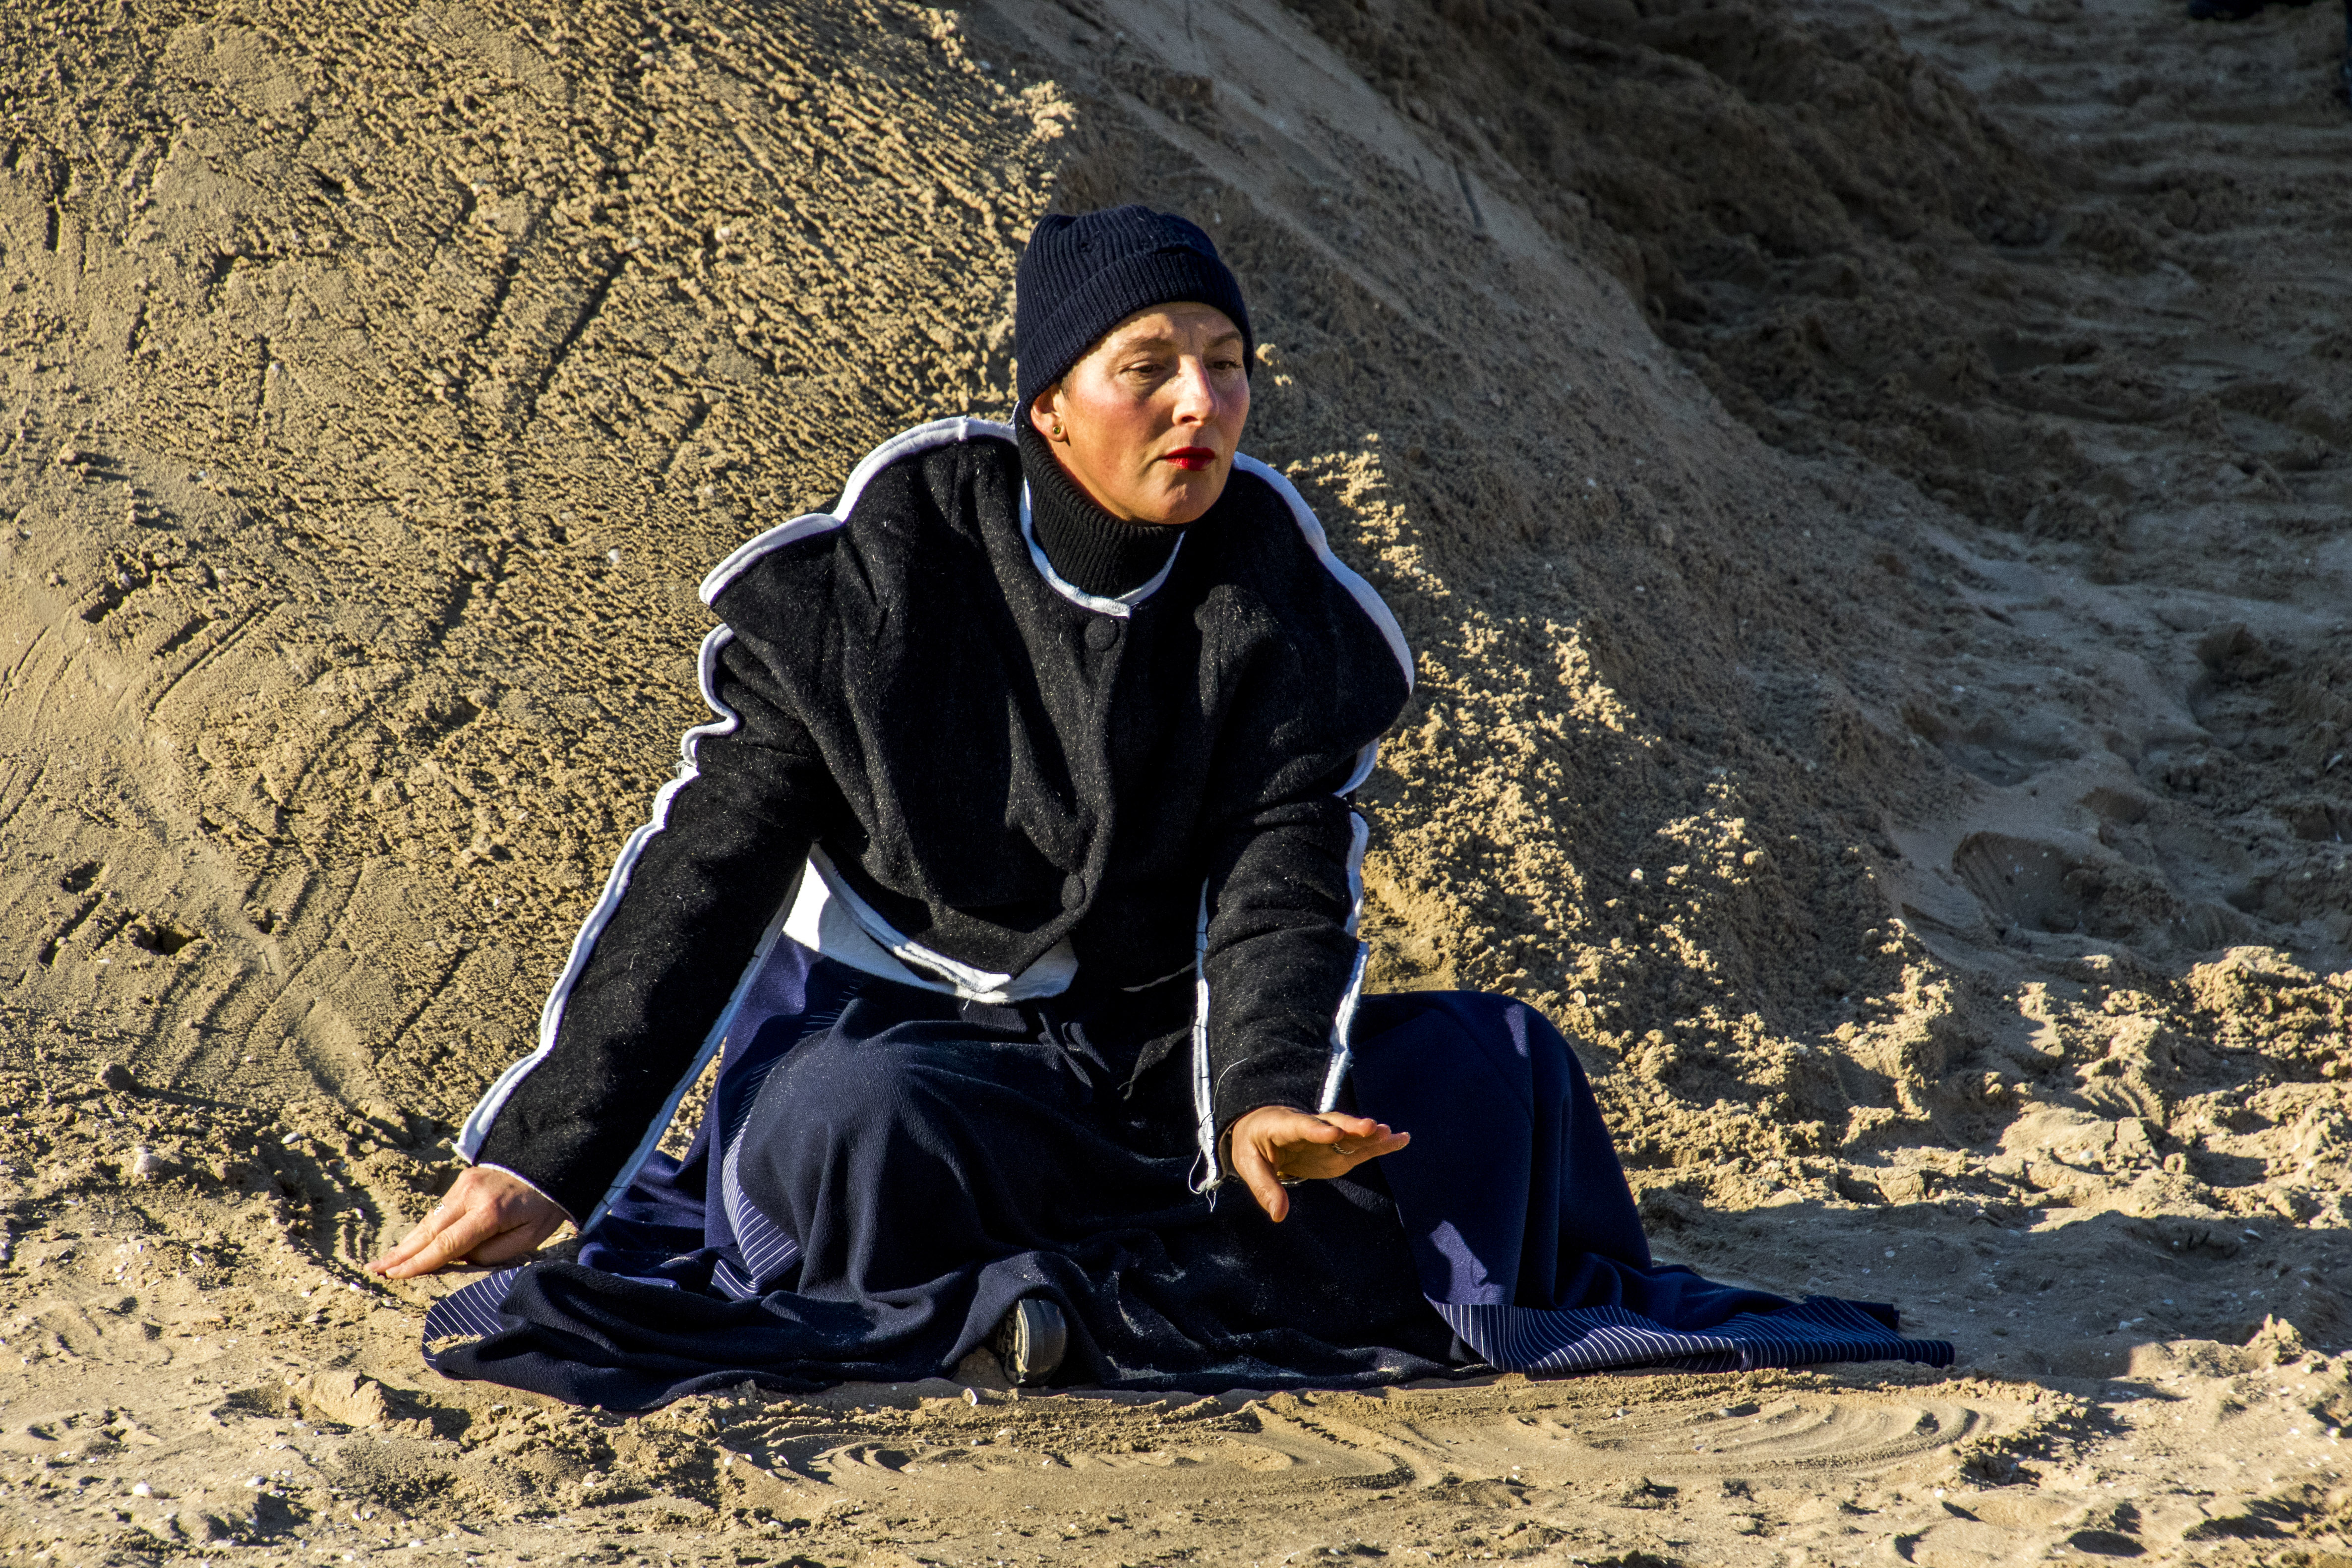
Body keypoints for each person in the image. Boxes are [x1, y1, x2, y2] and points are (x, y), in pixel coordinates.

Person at [371, 206, 1949, 1409]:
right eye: (1152, 369)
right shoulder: (870, 588)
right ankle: (1140, 1282)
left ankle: (1061, 1297)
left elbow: (1282, 887)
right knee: (843, 1126)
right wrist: (554, 1153)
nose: (1202, 400)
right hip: (912, 1059)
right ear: (1052, 405)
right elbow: (702, 874)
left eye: (1228, 364)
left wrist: (1261, 1101)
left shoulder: (1277, 608)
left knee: (1492, 1073)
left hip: (1154, 1065)